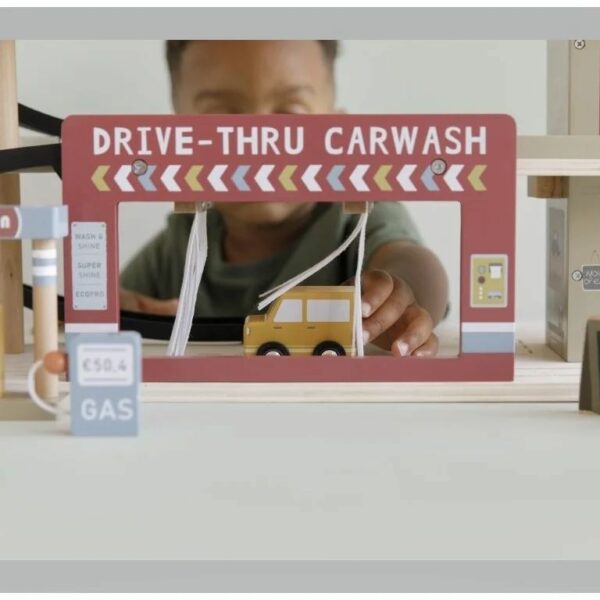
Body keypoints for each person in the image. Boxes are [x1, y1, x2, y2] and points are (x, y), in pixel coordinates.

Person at [120, 40, 449, 357]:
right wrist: (115, 311)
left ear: (340, 135)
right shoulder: (179, 246)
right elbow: (114, 303)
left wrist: (401, 293)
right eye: (224, 117)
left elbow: (412, 263)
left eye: (289, 114)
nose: (259, 143)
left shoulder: (356, 216)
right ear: (174, 139)